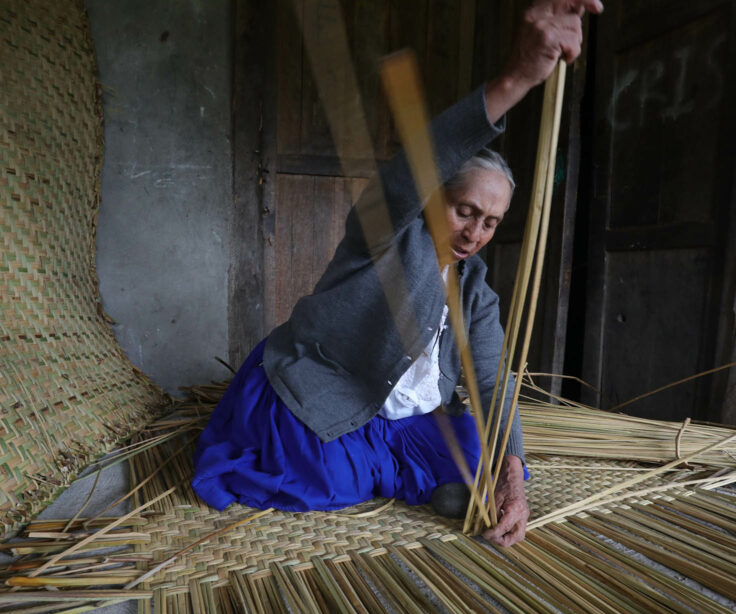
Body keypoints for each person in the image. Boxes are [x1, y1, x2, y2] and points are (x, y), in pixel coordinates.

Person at [193, 0, 602, 549]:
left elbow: (490, 382)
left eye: (491, 222)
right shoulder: (382, 233)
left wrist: (511, 475)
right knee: (324, 478)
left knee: (491, 455)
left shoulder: (475, 289)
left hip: (401, 418)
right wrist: (517, 80)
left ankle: (403, 468)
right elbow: (411, 170)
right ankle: (392, 473)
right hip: (331, 390)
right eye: (465, 211)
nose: (475, 233)